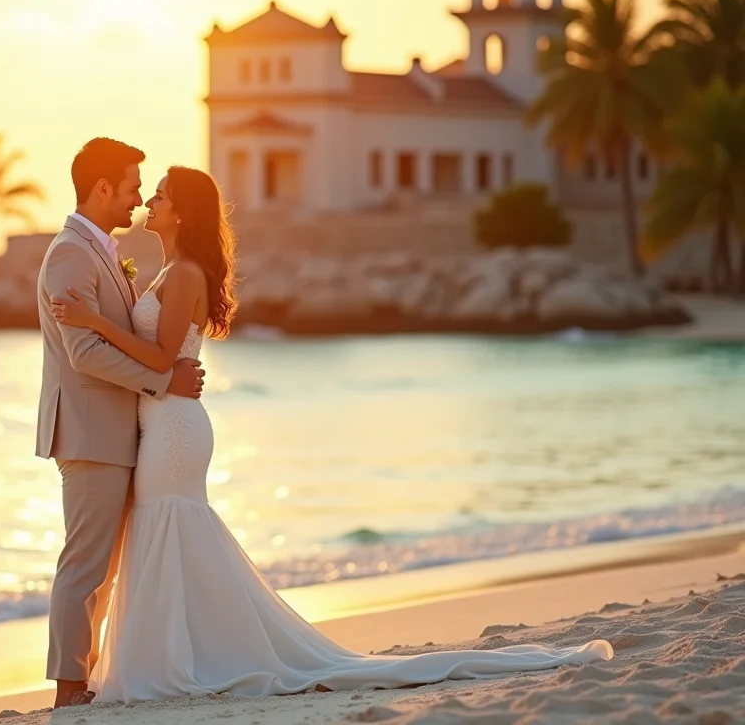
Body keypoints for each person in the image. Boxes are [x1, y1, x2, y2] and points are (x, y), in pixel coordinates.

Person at [50, 165, 614, 703]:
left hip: (174, 429)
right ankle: (183, 651)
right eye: (150, 193)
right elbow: (156, 358)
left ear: (184, 214)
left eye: (163, 195)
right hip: (162, 424)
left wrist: (93, 321)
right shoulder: (169, 272)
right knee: (167, 533)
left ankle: (177, 658)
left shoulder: (186, 275)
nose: (150, 201)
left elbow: (160, 355)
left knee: (169, 526)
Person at [35, 138, 206, 708]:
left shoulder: (102, 250)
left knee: (105, 569)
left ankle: (86, 681)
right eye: (133, 185)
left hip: (123, 433)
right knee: (85, 564)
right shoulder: (70, 254)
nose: (138, 196)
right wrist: (163, 381)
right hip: (90, 433)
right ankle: (67, 690)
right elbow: (82, 351)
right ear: (102, 187)